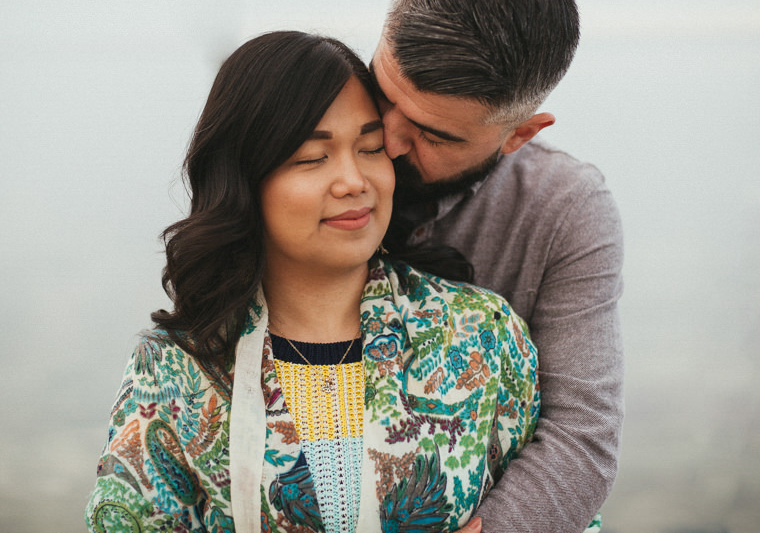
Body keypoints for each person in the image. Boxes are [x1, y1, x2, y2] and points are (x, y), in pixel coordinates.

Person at [85, 31, 540, 532]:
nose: (353, 181)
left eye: (370, 149)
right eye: (311, 157)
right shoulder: (176, 368)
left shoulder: (482, 334)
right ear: (245, 179)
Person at [371, 0, 624, 533]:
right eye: (384, 93)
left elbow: (581, 436)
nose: (386, 139)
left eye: (435, 135)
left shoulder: (565, 209)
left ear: (520, 134)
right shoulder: (287, 156)